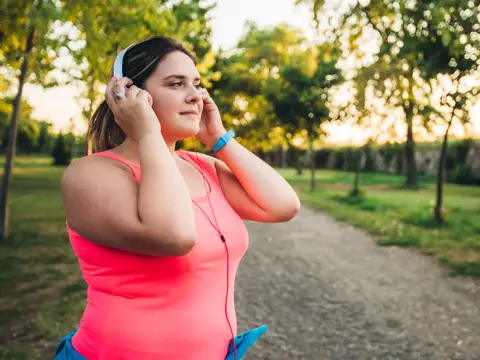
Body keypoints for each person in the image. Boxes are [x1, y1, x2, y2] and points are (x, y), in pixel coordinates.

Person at [55, 35, 301, 360]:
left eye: (197, 84)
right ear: (128, 94)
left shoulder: (203, 167)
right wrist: (146, 133)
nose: (196, 96)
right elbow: (176, 236)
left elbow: (283, 205)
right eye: (176, 84)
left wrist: (218, 138)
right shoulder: (90, 174)